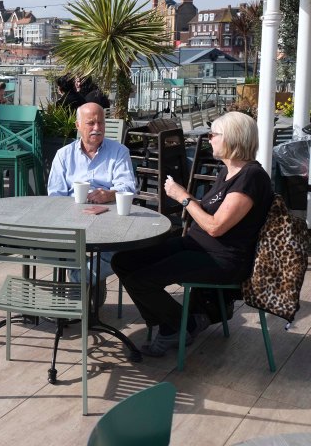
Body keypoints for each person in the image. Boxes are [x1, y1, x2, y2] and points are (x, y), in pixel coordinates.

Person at [112, 111, 272, 357]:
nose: (209, 139)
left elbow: (216, 226)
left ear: (232, 138)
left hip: (222, 259)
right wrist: (187, 199)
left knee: (140, 280)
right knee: (122, 261)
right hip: (196, 245)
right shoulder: (227, 172)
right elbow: (209, 213)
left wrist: (183, 197)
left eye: (213, 134)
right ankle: (171, 323)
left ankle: (179, 326)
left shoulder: (251, 177)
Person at [47, 102, 137, 300]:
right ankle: (90, 282)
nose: (97, 128)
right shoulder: (64, 155)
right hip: (71, 222)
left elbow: (129, 187)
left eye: (101, 123)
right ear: (78, 125)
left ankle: (80, 278)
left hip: (110, 222)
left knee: (123, 254)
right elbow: (54, 195)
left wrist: (110, 194)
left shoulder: (119, 151)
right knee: (42, 247)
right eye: (91, 123)